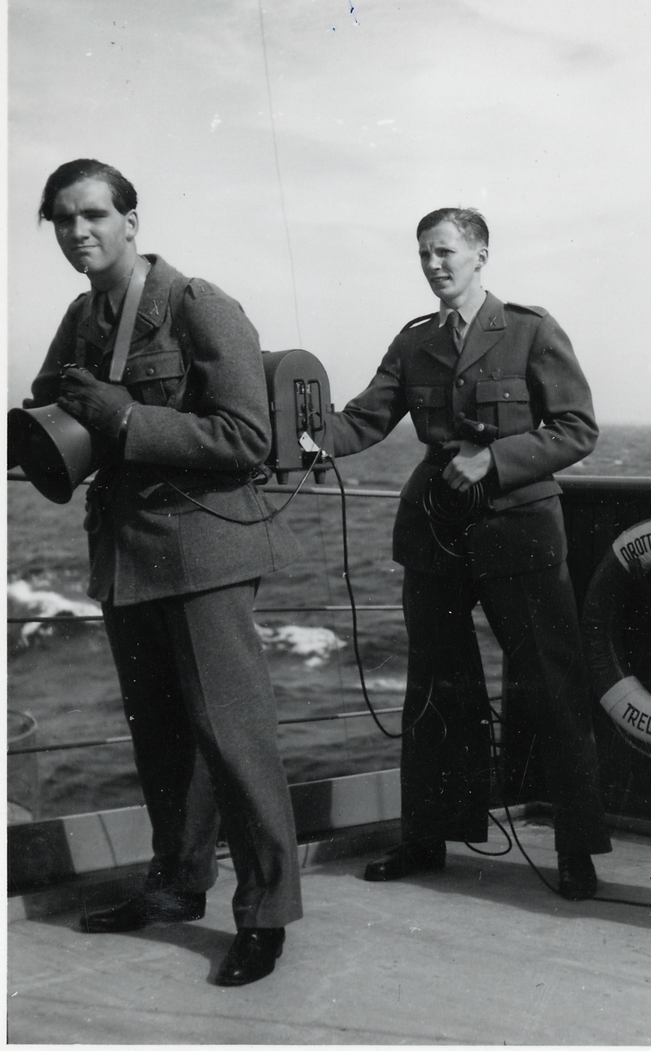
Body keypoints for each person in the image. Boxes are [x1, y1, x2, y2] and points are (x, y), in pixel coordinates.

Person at [20, 159, 303, 987]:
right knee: (161, 741)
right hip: (127, 557)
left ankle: (267, 915)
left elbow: (246, 437)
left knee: (236, 742)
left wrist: (128, 419)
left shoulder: (196, 305)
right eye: (63, 219)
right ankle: (177, 885)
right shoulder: (83, 316)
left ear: (132, 221)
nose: (78, 232)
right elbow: (49, 403)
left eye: (93, 215)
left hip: (203, 553)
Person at [323, 207, 611, 899]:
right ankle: (426, 837)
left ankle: (577, 849)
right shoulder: (414, 340)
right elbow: (363, 420)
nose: (433, 265)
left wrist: (495, 458)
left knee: (553, 688)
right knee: (434, 689)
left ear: (480, 254)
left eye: (445, 252)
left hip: (519, 531)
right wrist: (293, 436)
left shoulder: (531, 330)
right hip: (436, 532)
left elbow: (577, 428)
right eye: (424, 254)